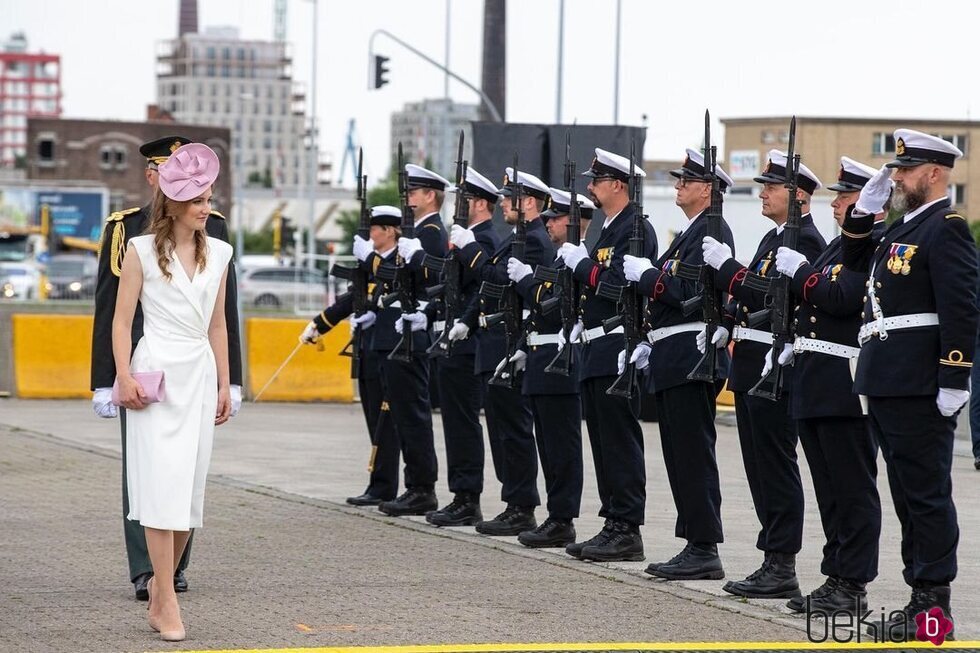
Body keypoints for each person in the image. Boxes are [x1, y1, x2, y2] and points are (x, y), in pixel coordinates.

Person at [89, 136, 243, 601]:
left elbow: (223, 315)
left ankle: (171, 572)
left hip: (196, 367)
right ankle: (146, 571)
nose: (199, 198)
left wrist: (229, 379)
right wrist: (109, 377)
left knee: (188, 475)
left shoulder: (215, 234)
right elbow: (110, 310)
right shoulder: (127, 232)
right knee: (150, 474)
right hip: (145, 368)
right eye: (172, 171)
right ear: (154, 176)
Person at [841, 129, 977, 641]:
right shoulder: (902, 228)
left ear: (935, 174)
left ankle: (933, 608)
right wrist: (863, 213)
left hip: (920, 381)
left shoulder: (947, 227)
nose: (895, 178)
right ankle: (918, 599)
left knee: (925, 496)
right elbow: (853, 261)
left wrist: (955, 375)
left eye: (904, 171)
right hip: (888, 377)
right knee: (905, 496)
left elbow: (961, 307)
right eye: (895, 170)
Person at [702, 148, 826, 598]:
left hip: (777, 367)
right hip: (752, 364)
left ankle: (782, 562)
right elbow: (753, 297)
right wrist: (728, 313)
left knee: (775, 465)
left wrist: (729, 272)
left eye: (772, 187)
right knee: (758, 467)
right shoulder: (771, 239)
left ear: (799, 197)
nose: (764, 193)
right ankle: (770, 556)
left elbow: (776, 295)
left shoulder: (806, 240)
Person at [772, 156, 885, 616]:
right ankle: (836, 575)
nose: (836, 203)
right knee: (829, 489)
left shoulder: (871, 246)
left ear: (869, 204)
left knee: (852, 488)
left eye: (845, 196)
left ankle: (853, 583)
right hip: (816, 382)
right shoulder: (835, 248)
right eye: (837, 196)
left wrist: (801, 274)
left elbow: (842, 299)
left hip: (845, 384)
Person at [622, 148, 735, 580]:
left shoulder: (711, 228)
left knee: (692, 455)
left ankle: (704, 547)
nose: (678, 186)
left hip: (692, 357)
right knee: (680, 455)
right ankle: (694, 543)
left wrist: (647, 276)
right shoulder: (690, 232)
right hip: (674, 355)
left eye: (687, 180)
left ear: (708, 189)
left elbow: (687, 292)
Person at [557, 148, 658, 562]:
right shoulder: (611, 229)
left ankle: (627, 526)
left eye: (596, 181)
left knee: (618, 439)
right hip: (597, 345)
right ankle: (612, 520)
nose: (590, 188)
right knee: (601, 439)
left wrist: (582, 266)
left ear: (618, 185)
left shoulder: (635, 229)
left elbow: (619, 287)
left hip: (618, 345)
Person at [451, 166, 553, 536]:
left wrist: (470, 251)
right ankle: (514, 501)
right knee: (501, 428)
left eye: (509, 199)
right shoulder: (519, 237)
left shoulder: (536, 240)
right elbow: (493, 287)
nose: (502, 205)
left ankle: (522, 505)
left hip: (509, 340)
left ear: (527, 202)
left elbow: (503, 283)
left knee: (513, 429)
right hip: (495, 339)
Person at [505, 187, 596, 548]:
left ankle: (563, 518)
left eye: (553, 218)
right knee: (548, 444)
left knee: (562, 446)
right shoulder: (560, 260)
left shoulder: (577, 259)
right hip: (542, 358)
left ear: (572, 224)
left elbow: (554, 307)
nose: (547, 224)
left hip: (562, 362)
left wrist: (526, 281)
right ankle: (555, 516)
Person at [299, 206, 404, 506]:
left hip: (391, 349)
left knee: (387, 421)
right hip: (367, 349)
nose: (369, 236)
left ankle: (385, 485)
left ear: (389, 231)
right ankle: (378, 483)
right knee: (373, 417)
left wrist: (374, 310)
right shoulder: (368, 264)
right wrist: (319, 323)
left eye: (374, 230)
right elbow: (351, 298)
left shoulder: (400, 261)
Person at [361, 164, 448, 516]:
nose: (408, 200)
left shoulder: (431, 233)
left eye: (414, 193)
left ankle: (422, 487)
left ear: (430, 196)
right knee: (403, 412)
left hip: (416, 330)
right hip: (403, 330)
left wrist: (372, 259)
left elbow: (437, 275)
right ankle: (415, 486)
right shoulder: (421, 231)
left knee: (412, 414)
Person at [425, 167, 501, 526]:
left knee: (463, 421)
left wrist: (464, 321)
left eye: (465, 199)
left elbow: (484, 284)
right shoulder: (466, 237)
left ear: (482, 204)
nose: (460, 206)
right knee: (454, 422)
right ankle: (460, 494)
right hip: (452, 339)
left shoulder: (484, 239)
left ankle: (468, 496)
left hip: (468, 341)